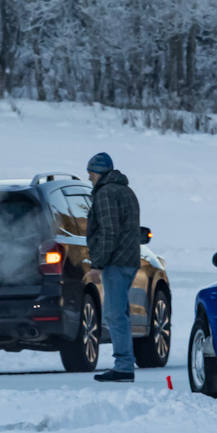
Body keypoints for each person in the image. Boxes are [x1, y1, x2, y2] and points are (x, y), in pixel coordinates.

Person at [84, 151, 142, 383]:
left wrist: (97, 264)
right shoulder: (126, 191)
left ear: (98, 172)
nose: (89, 178)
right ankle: (124, 365)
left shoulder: (106, 193)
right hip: (128, 260)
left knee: (114, 315)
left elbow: (109, 231)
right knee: (120, 314)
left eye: (90, 173)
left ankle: (124, 367)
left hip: (116, 262)